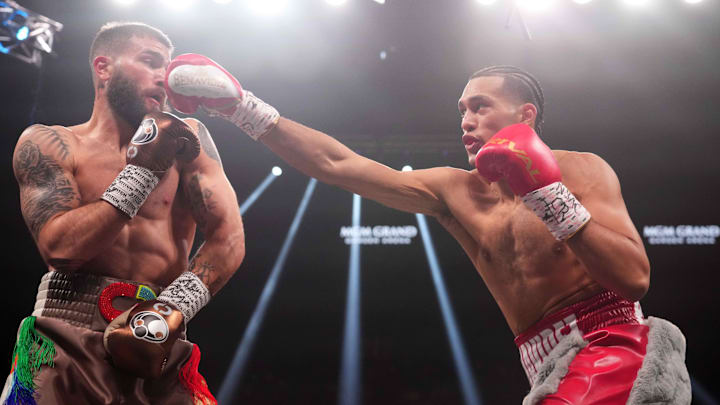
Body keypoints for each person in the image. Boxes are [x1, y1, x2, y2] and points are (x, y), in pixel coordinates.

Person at [164, 55, 691, 404]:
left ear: (525, 115)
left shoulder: (582, 170)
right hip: (542, 361)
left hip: (613, 344)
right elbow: (338, 164)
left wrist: (546, 192)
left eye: (480, 106)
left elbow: (634, 279)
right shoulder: (454, 191)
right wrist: (242, 108)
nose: (465, 118)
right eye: (461, 108)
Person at [2, 24, 244, 405]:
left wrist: (172, 308)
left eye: (167, 69)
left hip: (160, 335)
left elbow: (228, 237)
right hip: (65, 335)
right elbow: (61, 248)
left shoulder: (188, 139)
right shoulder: (51, 143)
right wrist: (142, 172)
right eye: (150, 62)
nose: (163, 79)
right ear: (103, 68)